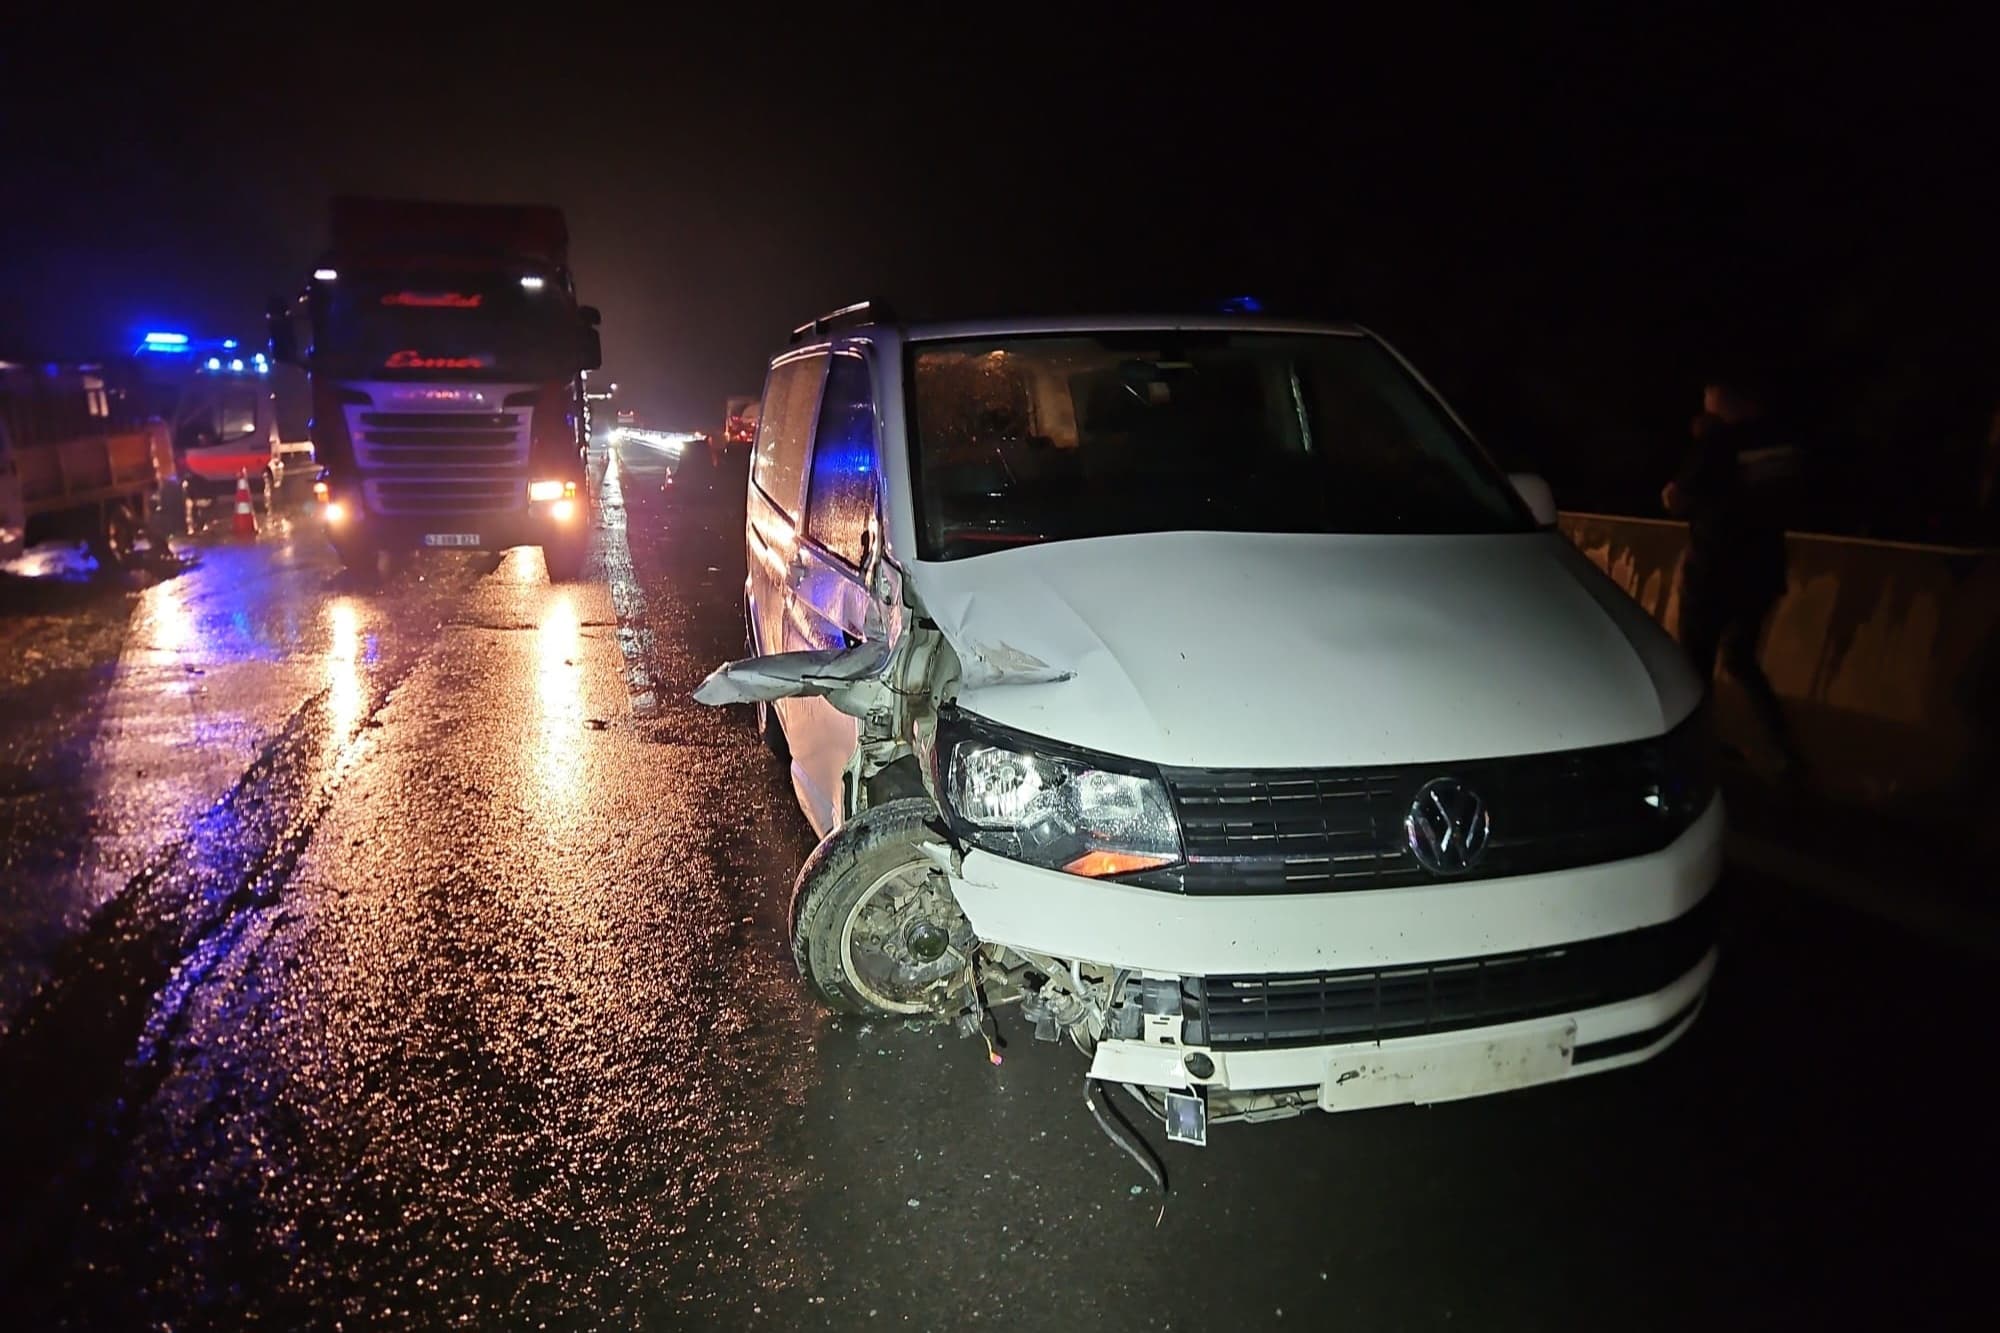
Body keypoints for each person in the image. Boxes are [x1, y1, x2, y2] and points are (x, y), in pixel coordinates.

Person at [1662, 378, 1805, 778]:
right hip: (1762, 571)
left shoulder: (1718, 442)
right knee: (1741, 658)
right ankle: (1784, 748)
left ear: (1727, 399)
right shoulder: (1784, 446)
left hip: (1714, 568)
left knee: (1695, 664)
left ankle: (1697, 752)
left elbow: (1678, 498)